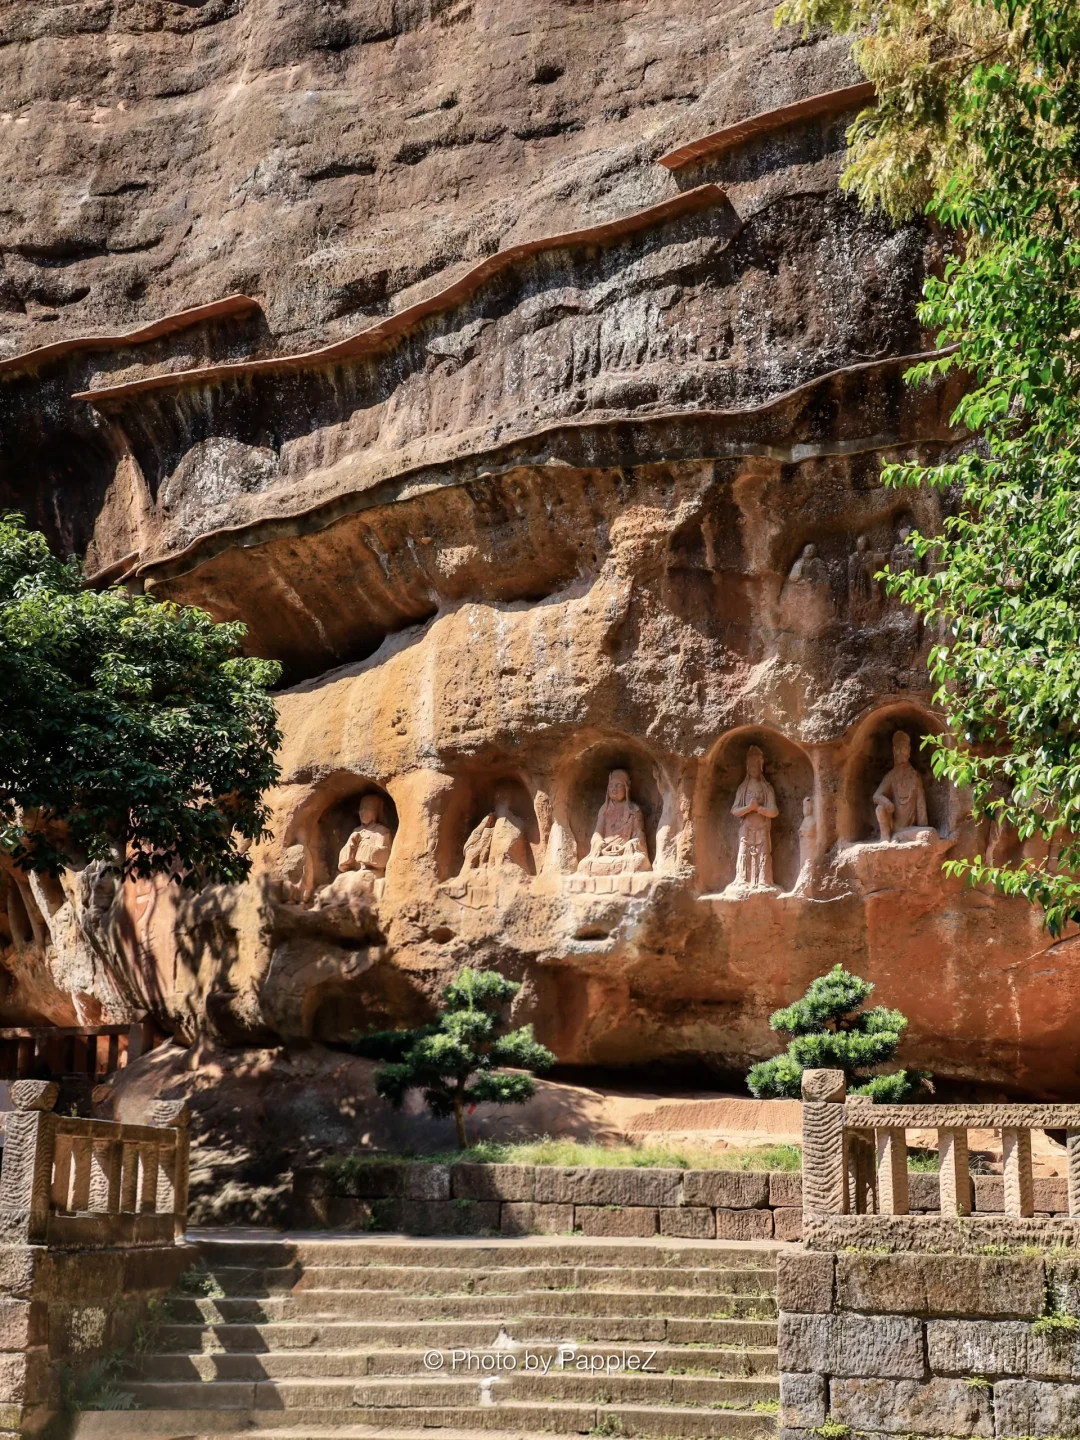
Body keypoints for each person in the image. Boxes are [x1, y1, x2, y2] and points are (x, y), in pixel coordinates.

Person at [577, 769, 651, 876]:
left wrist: (628, 845)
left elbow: (640, 836)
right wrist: (601, 845)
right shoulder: (604, 810)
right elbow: (597, 834)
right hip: (605, 854)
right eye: (611, 786)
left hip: (625, 853)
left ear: (626, 788)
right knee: (584, 865)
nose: (614, 789)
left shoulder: (634, 810)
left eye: (618, 785)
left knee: (637, 862)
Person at [731, 745, 779, 889]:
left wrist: (759, 809)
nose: (753, 767)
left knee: (763, 854)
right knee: (744, 853)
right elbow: (734, 810)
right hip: (746, 828)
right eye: (751, 764)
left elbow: (774, 811)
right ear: (747, 766)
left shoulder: (767, 788)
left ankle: (763, 880)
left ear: (761, 766)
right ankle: (742, 880)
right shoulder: (742, 788)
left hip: (763, 827)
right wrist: (748, 808)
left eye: (756, 764)